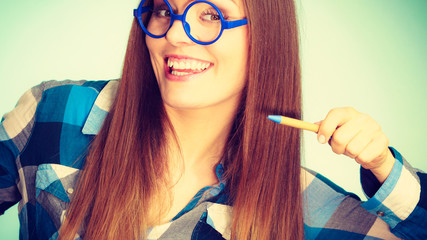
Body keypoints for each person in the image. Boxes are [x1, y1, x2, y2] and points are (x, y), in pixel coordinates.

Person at [0, 0, 425, 239]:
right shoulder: (53, 111)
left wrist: (383, 168)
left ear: (264, 37)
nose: (176, 34)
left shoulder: (302, 207)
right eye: (164, 9)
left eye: (211, 15)